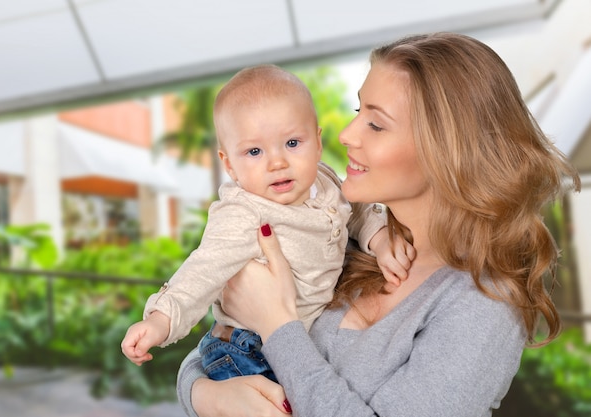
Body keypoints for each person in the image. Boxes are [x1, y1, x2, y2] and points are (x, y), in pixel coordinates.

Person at [176, 32, 581, 417]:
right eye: (358, 111)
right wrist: (204, 395)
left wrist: (277, 325)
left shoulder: (483, 306)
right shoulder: (347, 236)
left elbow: (269, 332)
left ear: (445, 151)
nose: (347, 134)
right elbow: (217, 349)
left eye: (376, 123)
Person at [121, 65, 414, 383]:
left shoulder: (324, 180)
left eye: (291, 143)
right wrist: (160, 321)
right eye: (255, 151)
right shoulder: (242, 213)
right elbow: (202, 271)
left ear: (317, 142)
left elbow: (355, 211)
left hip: (293, 340)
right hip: (245, 349)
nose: (277, 163)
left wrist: (381, 240)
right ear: (229, 165)